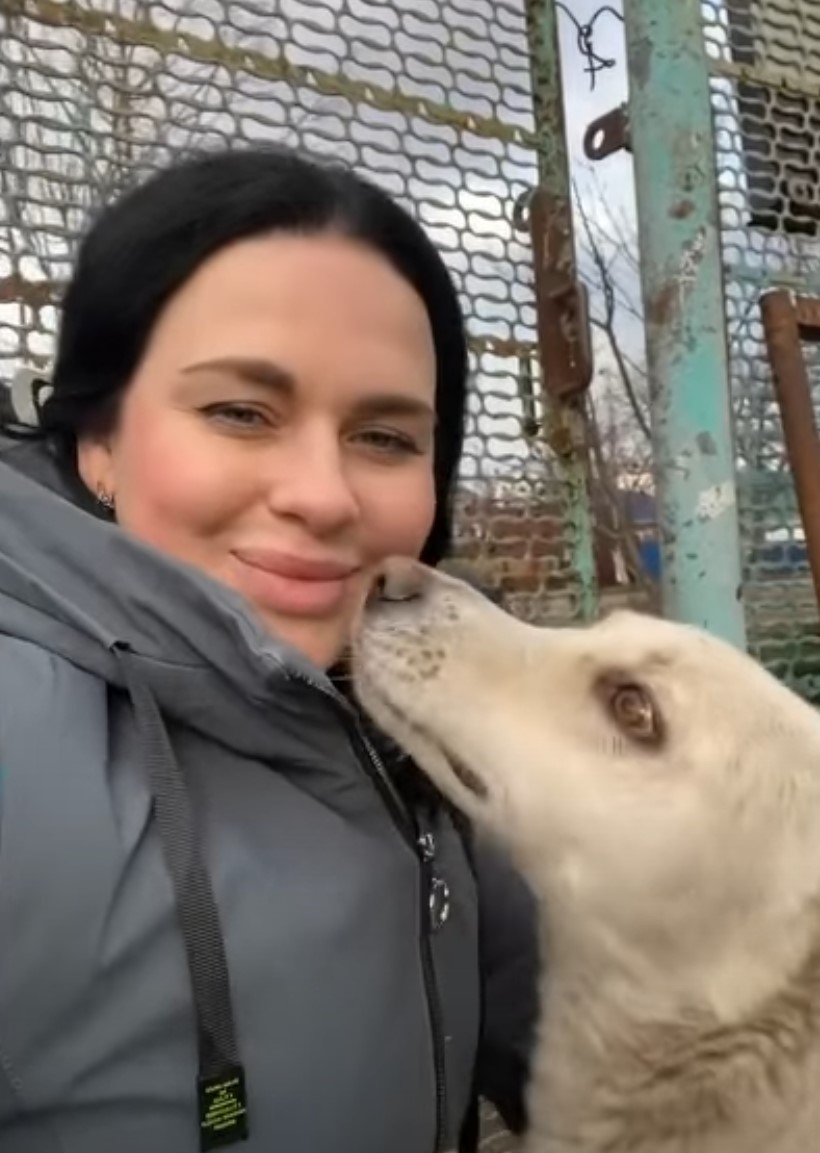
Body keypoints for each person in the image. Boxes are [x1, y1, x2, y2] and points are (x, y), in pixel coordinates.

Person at [0, 144, 538, 1153]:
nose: (325, 495)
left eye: (385, 437)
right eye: (239, 412)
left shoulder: (416, 722)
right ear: (98, 440)